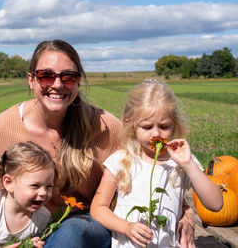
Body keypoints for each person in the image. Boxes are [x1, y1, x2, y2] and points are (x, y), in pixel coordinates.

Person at [0, 39, 196, 248]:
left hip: (85, 229)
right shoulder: (0, 129)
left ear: (78, 81)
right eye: (46, 76)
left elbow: (150, 165)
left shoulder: (104, 127)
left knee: (72, 231)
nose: (56, 84)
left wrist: (186, 212)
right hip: (19, 231)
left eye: (68, 77)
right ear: (32, 80)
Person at [90, 79, 223, 247]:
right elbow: (98, 208)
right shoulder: (121, 161)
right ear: (130, 125)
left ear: (174, 124)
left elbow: (216, 204)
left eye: (164, 126)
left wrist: (189, 165)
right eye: (147, 127)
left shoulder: (179, 163)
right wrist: (126, 227)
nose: (156, 134)